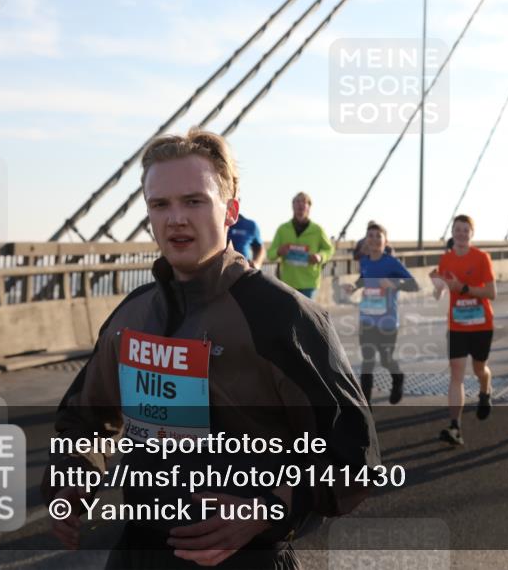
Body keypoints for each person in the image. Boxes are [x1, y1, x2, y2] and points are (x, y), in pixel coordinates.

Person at [43, 131, 378, 568]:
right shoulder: (132, 315)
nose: (176, 219)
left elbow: (354, 457)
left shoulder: (283, 317)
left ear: (231, 211)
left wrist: (268, 508)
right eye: (160, 204)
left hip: (244, 558)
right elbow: (84, 420)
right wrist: (73, 477)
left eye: (194, 201)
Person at [431, 215, 496, 446]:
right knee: (456, 375)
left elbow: (491, 293)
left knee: (479, 369)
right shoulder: (445, 259)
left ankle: (485, 390)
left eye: (465, 230)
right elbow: (439, 294)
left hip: (481, 325)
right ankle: (455, 427)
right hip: (457, 325)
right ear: (452, 232)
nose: (461, 233)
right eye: (457, 229)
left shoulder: (481, 258)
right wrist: (437, 286)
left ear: (472, 233)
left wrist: (463, 288)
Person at [342, 222, 419, 405]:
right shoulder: (364, 261)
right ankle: (365, 406)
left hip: (387, 322)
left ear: (386, 241)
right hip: (367, 319)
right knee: (367, 362)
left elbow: (414, 285)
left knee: (386, 360)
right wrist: (354, 286)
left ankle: (398, 378)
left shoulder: (391, 263)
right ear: (366, 240)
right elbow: (364, 278)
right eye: (371, 236)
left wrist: (394, 285)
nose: (374, 239)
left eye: (378, 236)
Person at [268, 192, 335, 299]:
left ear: (309, 207)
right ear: (292, 206)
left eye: (304, 202)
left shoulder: (317, 230)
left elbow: (329, 249)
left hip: (309, 283)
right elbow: (270, 254)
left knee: (305, 311)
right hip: (288, 283)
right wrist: (279, 251)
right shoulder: (283, 229)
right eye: (297, 201)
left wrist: (320, 256)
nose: (300, 204)